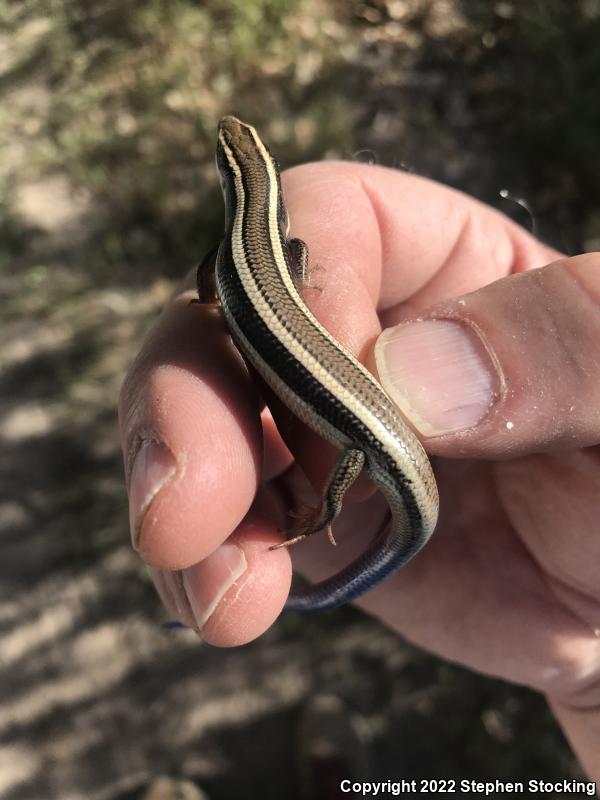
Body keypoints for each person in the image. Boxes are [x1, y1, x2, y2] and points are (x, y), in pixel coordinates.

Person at [118, 162, 600, 781]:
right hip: (364, 426)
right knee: (334, 458)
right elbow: (291, 256)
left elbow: (213, 290)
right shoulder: (279, 241)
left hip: (365, 433)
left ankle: (329, 529)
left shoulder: (228, 250)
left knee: (347, 458)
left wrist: (330, 505)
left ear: (229, 181)